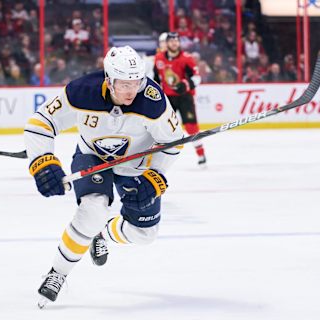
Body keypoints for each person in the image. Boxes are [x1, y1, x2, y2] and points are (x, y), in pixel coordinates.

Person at [24, 45, 184, 307]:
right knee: (92, 209)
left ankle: (102, 234)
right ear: (109, 80)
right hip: (93, 158)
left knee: (144, 234)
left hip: (137, 166)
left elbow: (173, 142)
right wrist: (42, 161)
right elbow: (41, 123)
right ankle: (57, 273)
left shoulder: (153, 101)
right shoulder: (81, 91)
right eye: (123, 84)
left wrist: (156, 176)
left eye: (136, 82)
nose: (131, 90)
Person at [154, 32, 206, 166]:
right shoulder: (159, 58)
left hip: (185, 97)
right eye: (171, 41)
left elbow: (197, 77)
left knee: (191, 127)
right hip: (168, 98)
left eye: (176, 40)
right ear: (167, 43)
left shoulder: (186, 58)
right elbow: (155, 79)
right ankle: (157, 158)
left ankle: (201, 155)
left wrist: (186, 84)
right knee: (163, 128)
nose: (174, 43)